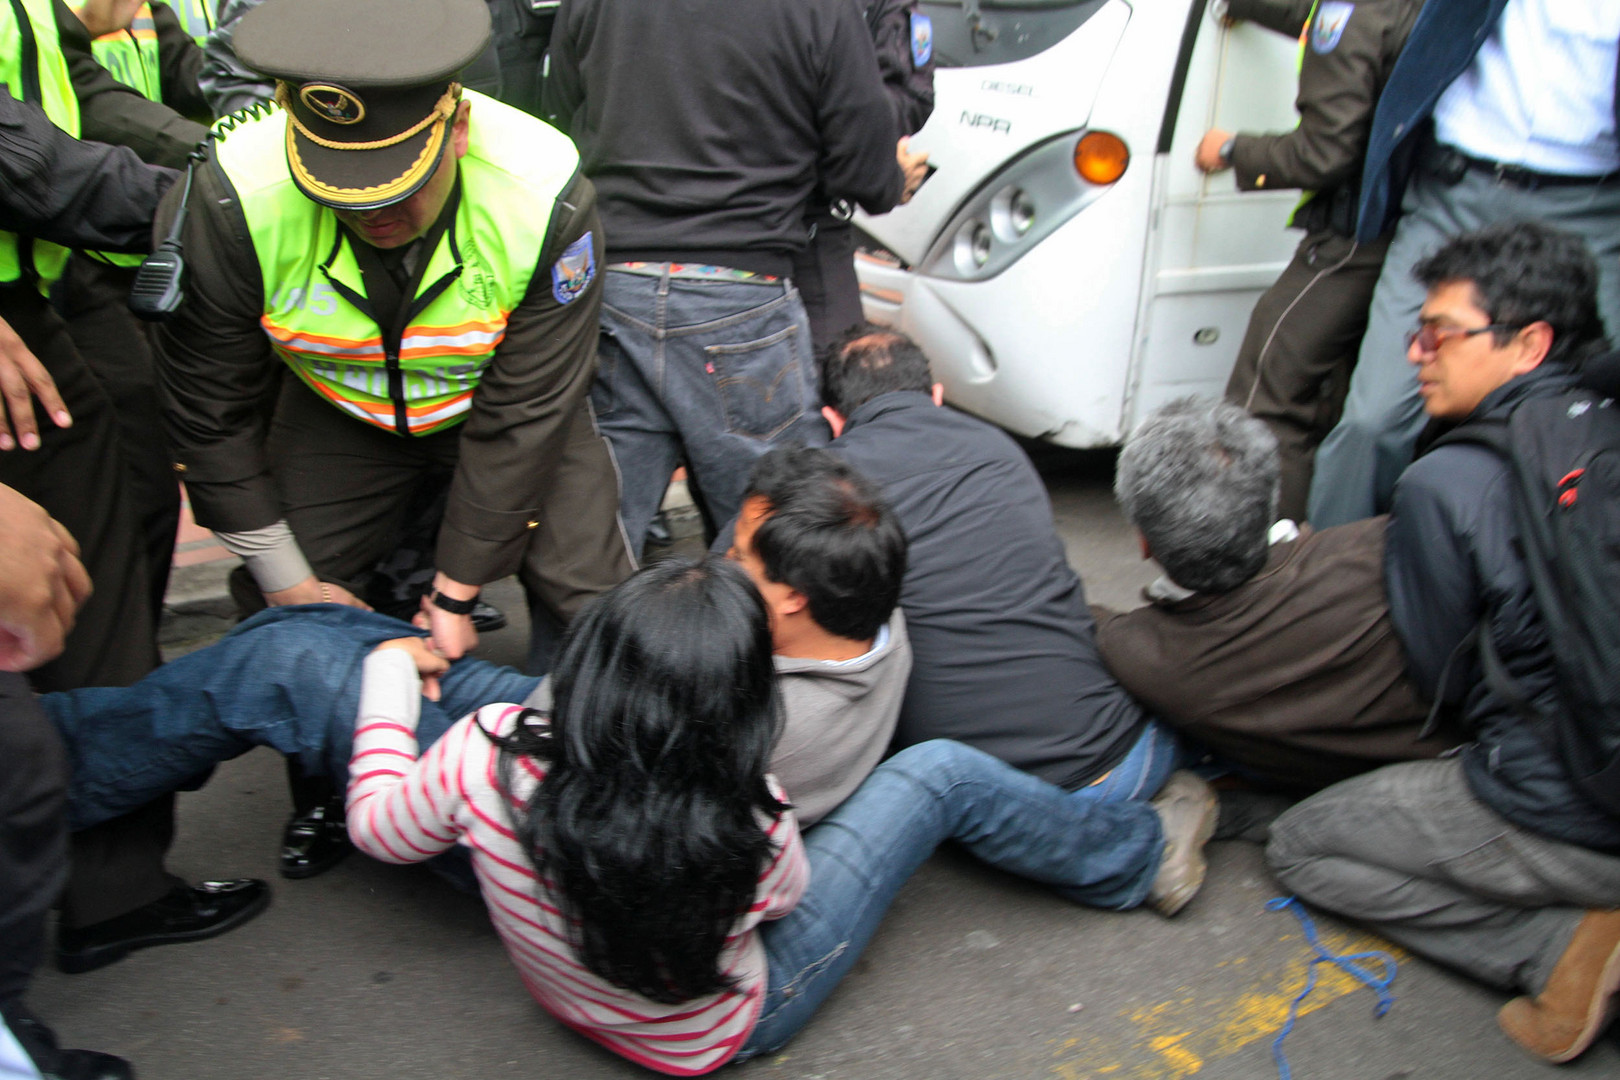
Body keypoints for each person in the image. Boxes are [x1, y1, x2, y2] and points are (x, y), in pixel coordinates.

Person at [343, 556, 1181, 1074]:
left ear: (594, 654)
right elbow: (781, 904)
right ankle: (1140, 857)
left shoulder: (484, 747)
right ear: (741, 700)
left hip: (565, 1000)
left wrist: (388, 671)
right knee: (939, 773)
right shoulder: (748, 811)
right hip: (721, 1031)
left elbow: (379, 827)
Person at [151, 0, 634, 874]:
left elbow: (523, 419)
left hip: (501, 397)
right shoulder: (229, 191)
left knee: (592, 583)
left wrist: (453, 597)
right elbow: (207, 412)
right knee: (284, 611)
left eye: (397, 185)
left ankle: (619, 786)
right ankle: (333, 790)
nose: (371, 212)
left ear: (453, 123)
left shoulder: (543, 189)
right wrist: (295, 586)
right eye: (336, 185)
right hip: (341, 407)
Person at [1267, 223, 1620, 1063]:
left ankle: (1557, 947)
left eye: (1440, 333)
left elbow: (1440, 681)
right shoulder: (1602, 421)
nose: (1418, 353)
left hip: (1566, 808)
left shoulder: (1444, 482)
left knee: (1302, 846)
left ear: (1529, 343)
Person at [0, 18, 267, 983]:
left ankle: (95, 857)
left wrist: (228, 156)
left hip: (52, 274)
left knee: (136, 506)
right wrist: (230, 206)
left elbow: (83, 91)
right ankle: (100, 886)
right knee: (72, 578)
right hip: (24, 295)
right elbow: (30, 158)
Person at [542, 0, 917, 553]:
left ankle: (576, 641)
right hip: (743, 289)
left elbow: (559, 119)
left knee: (592, 540)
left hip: (615, 282)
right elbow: (860, 166)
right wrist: (894, 178)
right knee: (782, 543)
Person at [817, 327, 1190, 799]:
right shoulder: (998, 447)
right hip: (1132, 755)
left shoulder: (825, 485)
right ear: (936, 396)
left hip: (997, 800)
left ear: (833, 419)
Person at [1306, 0, 1620, 527]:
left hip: (1593, 203)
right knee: (1374, 419)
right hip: (1456, 190)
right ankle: (1327, 590)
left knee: (1603, 405)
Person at [1094, 398, 1461, 793]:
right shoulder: (1383, 547)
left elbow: (1080, 621)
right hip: (1455, 761)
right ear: (1269, 496)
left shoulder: (1144, 654)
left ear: (1144, 542)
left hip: (1356, 797)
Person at [1197, 0, 1422, 521]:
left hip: (1355, 235)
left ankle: (1257, 565)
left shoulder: (1350, 12)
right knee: (1338, 395)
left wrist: (1234, 151)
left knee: (1268, 390)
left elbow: (1325, 152)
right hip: (1418, 220)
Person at [793, 0, 934, 352]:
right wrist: (885, 179)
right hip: (797, 225)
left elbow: (909, 95)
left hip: (807, 222)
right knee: (836, 375)